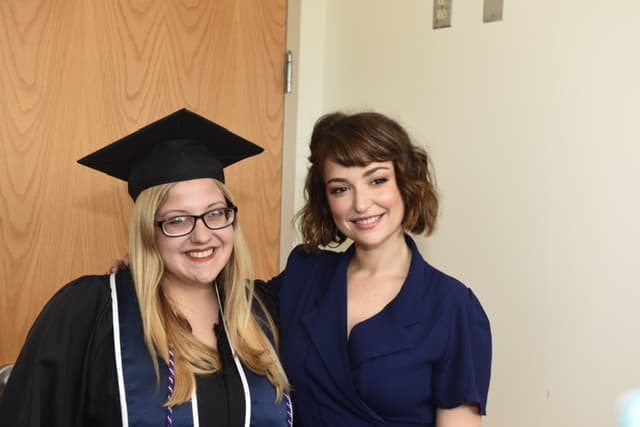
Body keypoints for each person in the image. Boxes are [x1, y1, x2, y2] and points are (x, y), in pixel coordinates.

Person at [0, 109, 292, 426]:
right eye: (177, 220)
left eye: (215, 213)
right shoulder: (91, 313)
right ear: (147, 231)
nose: (202, 235)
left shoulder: (264, 310)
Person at [271, 111, 492, 426]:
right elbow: (222, 309)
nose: (360, 204)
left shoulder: (452, 307)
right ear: (326, 199)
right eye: (340, 188)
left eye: (377, 180)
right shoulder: (302, 276)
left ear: (407, 181)